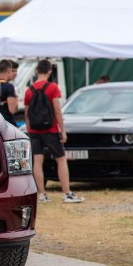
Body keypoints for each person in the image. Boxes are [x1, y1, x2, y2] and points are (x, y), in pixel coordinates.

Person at [24, 59, 84, 203]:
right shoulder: (52, 87)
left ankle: (42, 195)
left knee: (37, 161)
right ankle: (67, 193)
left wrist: (29, 130)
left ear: (37, 71)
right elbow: (57, 110)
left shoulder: (28, 90)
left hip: (34, 131)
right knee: (61, 160)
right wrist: (62, 130)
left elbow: (26, 114)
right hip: (50, 129)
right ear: (50, 71)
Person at [0, 59, 18, 126]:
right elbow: (12, 110)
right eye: (12, 71)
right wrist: (16, 97)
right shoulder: (9, 87)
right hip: (7, 123)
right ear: (8, 71)